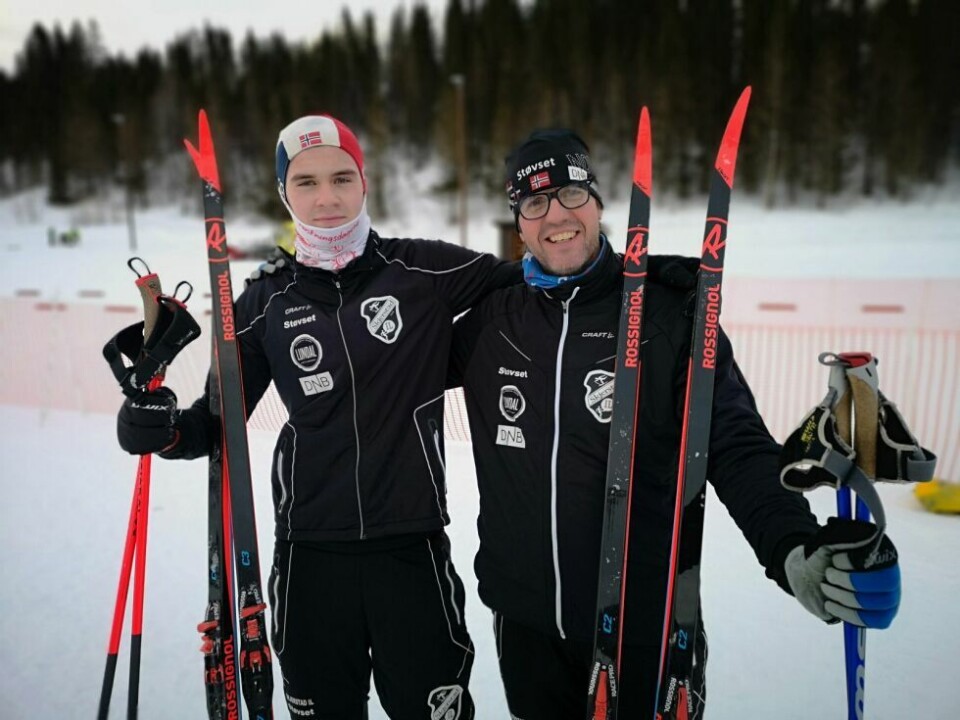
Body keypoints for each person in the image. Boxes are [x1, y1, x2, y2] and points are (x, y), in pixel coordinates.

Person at [447, 129, 902, 718]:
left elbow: (736, 445)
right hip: (526, 627)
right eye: (534, 202)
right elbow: (389, 371)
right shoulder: (492, 321)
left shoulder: (670, 315)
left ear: (598, 203)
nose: (556, 216)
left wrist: (792, 543)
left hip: (649, 623)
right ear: (519, 224)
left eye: (571, 194)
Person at [115, 113, 520, 719]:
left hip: (411, 549)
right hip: (310, 555)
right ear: (285, 193)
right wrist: (161, 429)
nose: (326, 197)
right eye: (306, 182)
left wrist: (642, 276)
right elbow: (214, 423)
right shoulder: (265, 299)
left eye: (341, 178)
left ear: (364, 184)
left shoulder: (423, 270)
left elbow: (540, 280)